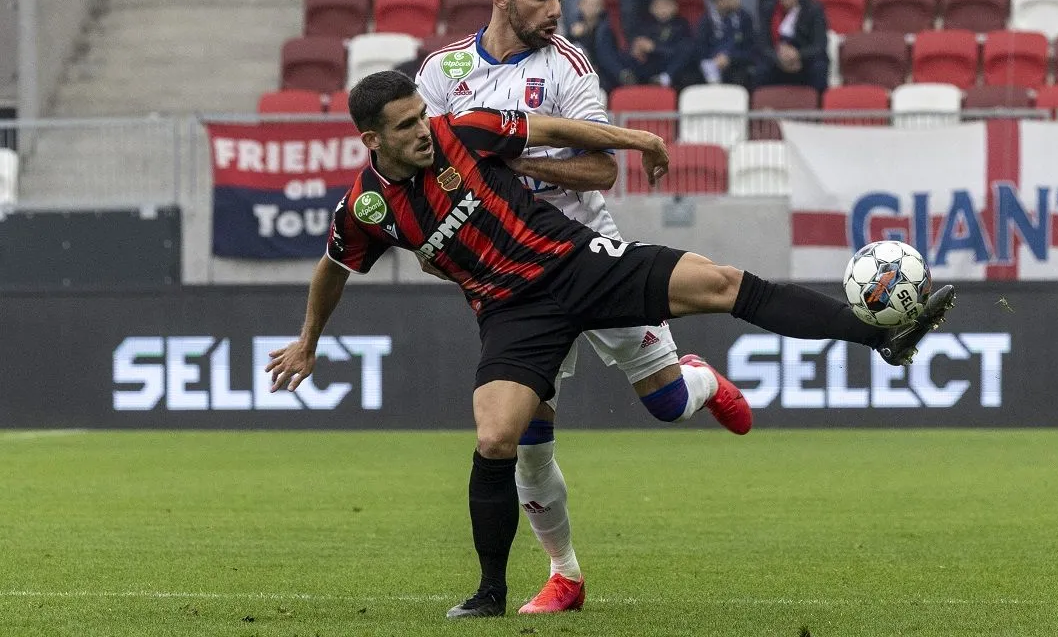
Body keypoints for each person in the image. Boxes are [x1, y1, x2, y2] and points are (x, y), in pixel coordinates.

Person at [264, 69, 957, 619]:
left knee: (720, 282)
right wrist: (307, 342)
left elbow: (549, 126)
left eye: (422, 116)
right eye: (406, 126)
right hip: (512, 312)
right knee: (496, 440)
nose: (423, 131)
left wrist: (638, 140)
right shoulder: (367, 208)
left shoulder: (462, 130)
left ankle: (880, 336)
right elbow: (335, 270)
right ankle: (490, 593)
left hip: (578, 263)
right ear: (370, 140)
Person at [412, 0, 751, 615]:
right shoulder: (442, 73)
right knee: (528, 437)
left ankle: (701, 379)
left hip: (585, 254)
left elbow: (600, 171)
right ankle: (564, 574)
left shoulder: (569, 66)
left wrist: (508, 171)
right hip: (514, 275)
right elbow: (425, 167)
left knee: (665, 405)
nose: (557, 9)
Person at [757, 0, 830, 93]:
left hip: (805, 60)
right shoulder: (767, 8)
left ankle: (817, 108)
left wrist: (798, 55)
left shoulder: (814, 9)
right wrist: (778, 58)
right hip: (777, 60)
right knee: (760, 69)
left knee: (819, 67)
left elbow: (820, 45)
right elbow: (762, 44)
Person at [624, 0, 701, 90]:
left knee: (689, 48)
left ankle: (665, 78)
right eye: (658, 7)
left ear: (675, 7)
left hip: (672, 64)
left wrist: (655, 48)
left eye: (666, 6)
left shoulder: (681, 25)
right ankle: (626, 76)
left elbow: (679, 51)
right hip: (651, 63)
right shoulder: (646, 25)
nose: (662, 10)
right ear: (651, 9)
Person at [695, 0, 760, 89]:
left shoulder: (744, 18)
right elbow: (700, 50)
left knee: (742, 77)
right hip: (711, 66)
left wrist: (731, 59)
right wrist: (714, 59)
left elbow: (752, 49)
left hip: (737, 66)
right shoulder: (706, 21)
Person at [566, 0, 626, 92]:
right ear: (580, 5)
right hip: (577, 77)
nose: (591, 8)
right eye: (587, 3)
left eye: (595, 4)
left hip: (602, 77)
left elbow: (606, 56)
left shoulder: (605, 29)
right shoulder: (573, 26)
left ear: (601, 8)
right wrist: (572, 36)